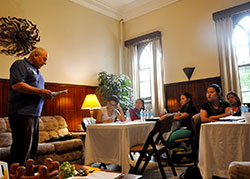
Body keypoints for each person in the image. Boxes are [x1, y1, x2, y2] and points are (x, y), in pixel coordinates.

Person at [8, 47, 52, 166]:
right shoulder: (20, 64)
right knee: (22, 147)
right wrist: (40, 91)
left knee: (32, 148)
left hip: (34, 114)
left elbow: (37, 91)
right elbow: (17, 85)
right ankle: (16, 174)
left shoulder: (38, 72)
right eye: (44, 59)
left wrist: (45, 94)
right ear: (35, 56)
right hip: (21, 113)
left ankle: (28, 173)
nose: (45, 62)